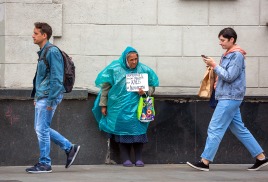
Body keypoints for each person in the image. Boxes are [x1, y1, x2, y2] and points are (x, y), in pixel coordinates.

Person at [187, 27, 268, 171]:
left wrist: (214, 65)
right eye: (220, 40)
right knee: (239, 129)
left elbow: (230, 76)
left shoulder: (236, 55)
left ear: (232, 40)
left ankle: (204, 162)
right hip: (229, 96)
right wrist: (213, 66)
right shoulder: (229, 54)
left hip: (229, 97)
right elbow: (225, 74)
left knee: (215, 128)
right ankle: (261, 158)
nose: (220, 43)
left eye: (223, 40)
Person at [26, 22, 80, 173]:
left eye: (36, 33)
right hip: (42, 96)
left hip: (49, 97)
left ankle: (45, 163)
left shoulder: (51, 51)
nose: (33, 35)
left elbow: (57, 78)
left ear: (44, 35)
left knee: (41, 129)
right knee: (40, 128)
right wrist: (36, 96)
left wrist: (50, 100)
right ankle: (70, 148)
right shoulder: (44, 52)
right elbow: (43, 78)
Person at [92, 46, 159, 167]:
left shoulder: (144, 69)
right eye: (131, 60)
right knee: (122, 133)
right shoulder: (115, 69)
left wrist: (145, 92)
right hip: (119, 108)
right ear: (125, 60)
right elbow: (105, 88)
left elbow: (153, 86)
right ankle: (125, 158)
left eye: (136, 59)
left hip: (139, 108)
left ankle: (138, 158)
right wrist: (103, 105)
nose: (134, 62)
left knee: (139, 131)